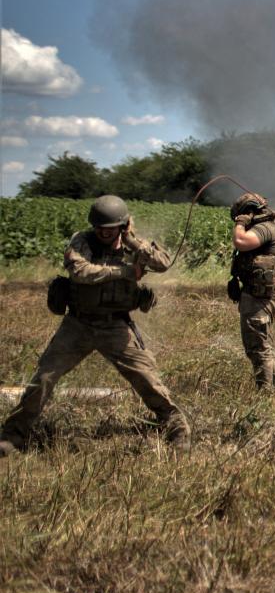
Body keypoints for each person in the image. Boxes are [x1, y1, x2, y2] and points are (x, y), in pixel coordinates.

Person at [0, 195, 189, 455]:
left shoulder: (134, 245)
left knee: (148, 380)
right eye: (99, 227)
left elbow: (163, 263)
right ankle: (12, 436)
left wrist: (134, 242)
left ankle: (177, 429)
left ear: (122, 226)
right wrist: (123, 272)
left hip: (115, 327)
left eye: (109, 228)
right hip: (78, 324)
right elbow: (80, 272)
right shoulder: (82, 241)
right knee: (43, 379)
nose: (103, 232)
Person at [230, 192, 275, 391]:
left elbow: (241, 241)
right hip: (261, 294)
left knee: (259, 348)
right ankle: (268, 390)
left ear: (249, 212)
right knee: (263, 345)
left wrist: (240, 223)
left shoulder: (264, 229)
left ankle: (265, 394)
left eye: (242, 215)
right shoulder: (272, 227)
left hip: (259, 297)